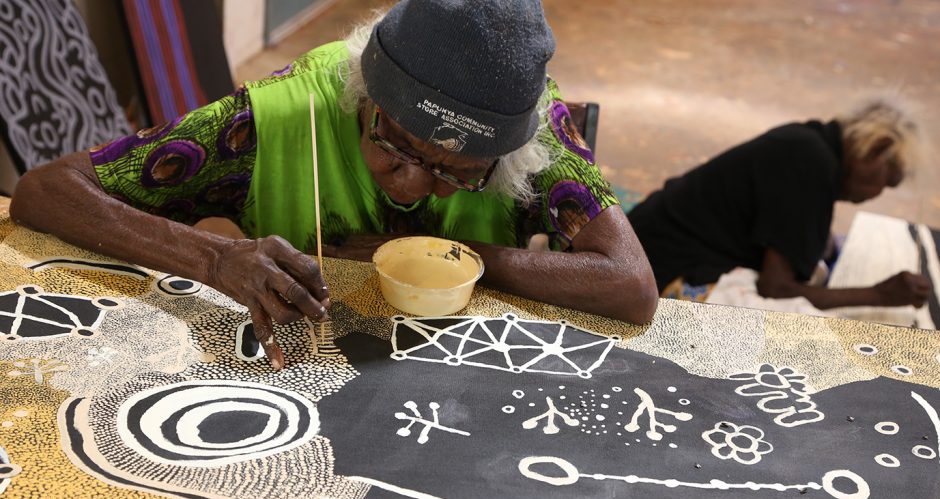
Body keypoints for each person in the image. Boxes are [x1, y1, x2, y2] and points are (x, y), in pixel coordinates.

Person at [10, 0, 658, 370]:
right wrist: (214, 256)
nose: (416, 188)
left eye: (459, 176)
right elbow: (47, 189)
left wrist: (458, 264)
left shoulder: (537, 135)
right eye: (396, 149)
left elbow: (631, 286)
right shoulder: (276, 116)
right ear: (364, 98)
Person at [628, 98, 931, 310]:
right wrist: (878, 295)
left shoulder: (810, 145)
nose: (877, 192)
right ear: (874, 149)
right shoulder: (810, 162)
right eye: (885, 179)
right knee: (806, 334)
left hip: (645, 245)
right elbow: (776, 289)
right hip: (655, 272)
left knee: (819, 266)